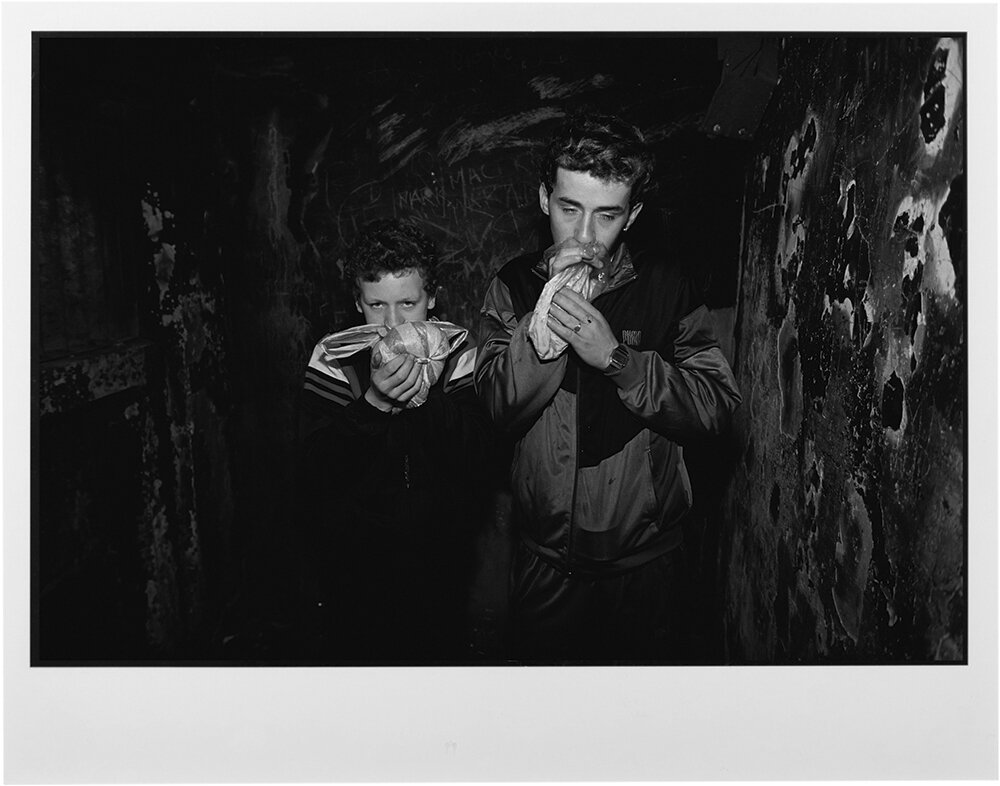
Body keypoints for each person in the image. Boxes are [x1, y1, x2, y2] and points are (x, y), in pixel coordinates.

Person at [474, 112, 742, 664]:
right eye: (569, 209)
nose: (585, 236)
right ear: (544, 199)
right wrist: (543, 324)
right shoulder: (511, 285)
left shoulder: (668, 286)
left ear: (633, 215)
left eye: (607, 215)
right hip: (546, 562)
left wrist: (617, 359)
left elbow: (716, 408)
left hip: (646, 564)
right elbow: (497, 409)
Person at [296, 218, 491, 664]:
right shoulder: (334, 358)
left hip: (441, 560)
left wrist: (426, 394)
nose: (392, 323)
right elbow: (314, 471)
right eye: (375, 305)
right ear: (357, 303)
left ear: (432, 299)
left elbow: (481, 459)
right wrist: (375, 403)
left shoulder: (460, 354)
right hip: (355, 566)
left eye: (408, 303)